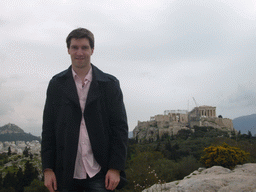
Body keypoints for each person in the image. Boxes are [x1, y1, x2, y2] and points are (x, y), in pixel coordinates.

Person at [41, 28, 128, 192]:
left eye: (84, 47)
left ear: (92, 50)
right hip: (64, 173)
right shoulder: (56, 84)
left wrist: (115, 168)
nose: (79, 52)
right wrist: (47, 169)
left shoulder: (109, 84)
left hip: (99, 173)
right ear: (68, 50)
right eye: (74, 47)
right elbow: (48, 129)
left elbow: (120, 128)